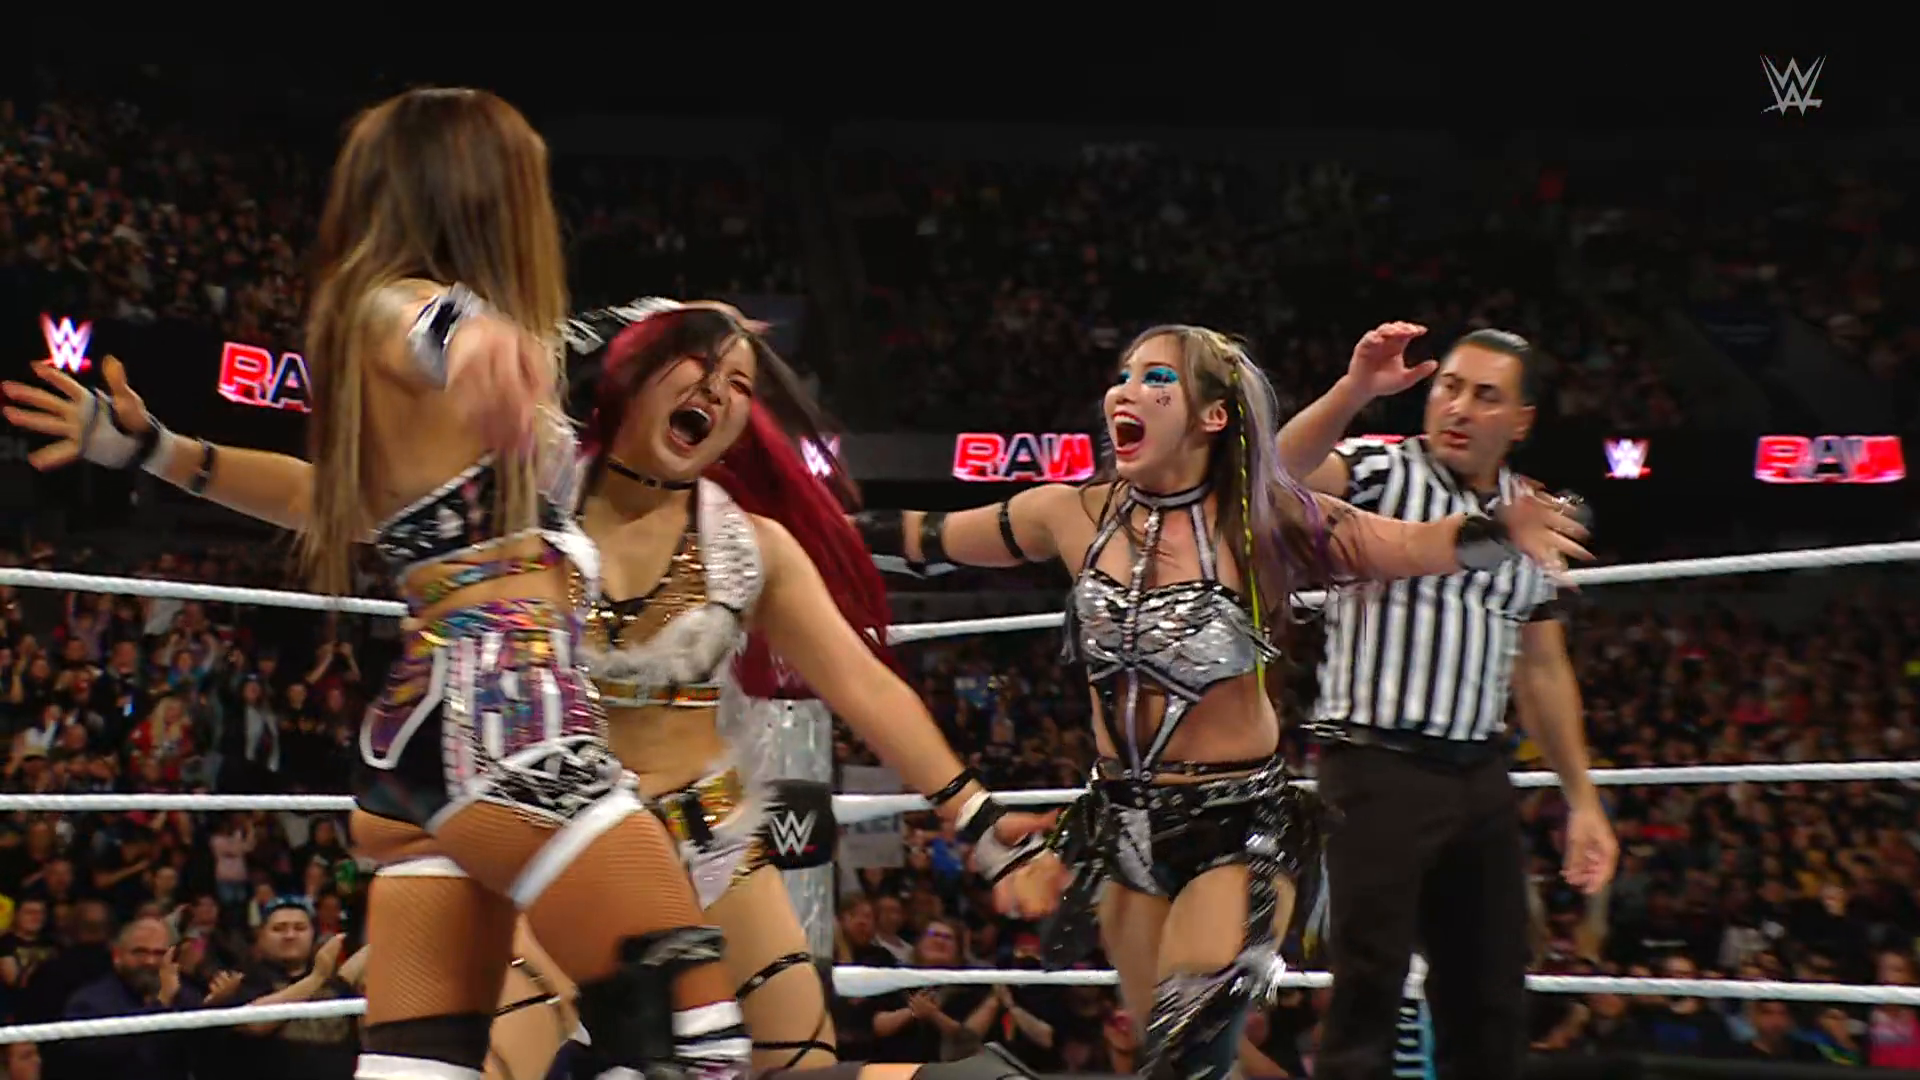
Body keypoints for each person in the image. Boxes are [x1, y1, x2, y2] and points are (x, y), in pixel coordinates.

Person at [2, 88, 751, 1080]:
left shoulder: (414, 354)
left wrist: (153, 449)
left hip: (429, 731)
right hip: (504, 715)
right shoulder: (400, 306)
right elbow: (429, 325)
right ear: (481, 194)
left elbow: (334, 503)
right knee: (691, 1033)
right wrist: (479, 344)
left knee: (418, 1069)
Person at [852, 324, 1593, 1080]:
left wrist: (1501, 528)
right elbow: (929, 538)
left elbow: (1407, 546)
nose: (1124, 392)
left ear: (1213, 416)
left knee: (1189, 1052)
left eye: (1156, 379)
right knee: (1166, 1061)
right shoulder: (1069, 512)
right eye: (1124, 375)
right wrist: (809, 525)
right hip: (1123, 825)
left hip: (1235, 829)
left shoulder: (1261, 522)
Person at [485, 298, 1062, 1080]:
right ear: (633, 373)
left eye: (740, 384)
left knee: (798, 1062)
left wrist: (982, 825)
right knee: (506, 1058)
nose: (719, 392)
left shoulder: (750, 546)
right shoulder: (531, 507)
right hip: (561, 843)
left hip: (707, 842)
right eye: (700, 365)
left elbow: (864, 686)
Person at [1273, 323, 1620, 1080]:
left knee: (1491, 994)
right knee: (1368, 989)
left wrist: (1583, 800)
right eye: (1450, 388)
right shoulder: (1379, 470)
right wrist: (1355, 389)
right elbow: (1276, 471)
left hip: (1479, 777)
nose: (1459, 407)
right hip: (1375, 766)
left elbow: (1542, 666)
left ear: (1521, 420)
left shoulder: (1531, 512)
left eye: (1486, 396)